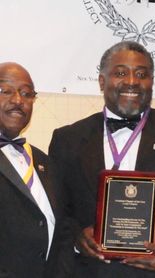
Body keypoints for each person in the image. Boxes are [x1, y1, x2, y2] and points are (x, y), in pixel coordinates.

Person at [48, 41, 155, 277]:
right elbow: (58, 210)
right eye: (120, 73)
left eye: (142, 74)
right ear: (101, 81)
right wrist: (77, 237)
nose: (131, 81)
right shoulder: (68, 139)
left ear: (152, 82)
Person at [0, 62, 71, 277]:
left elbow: (62, 231)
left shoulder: (45, 162)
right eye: (6, 91)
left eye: (27, 94)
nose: (18, 101)